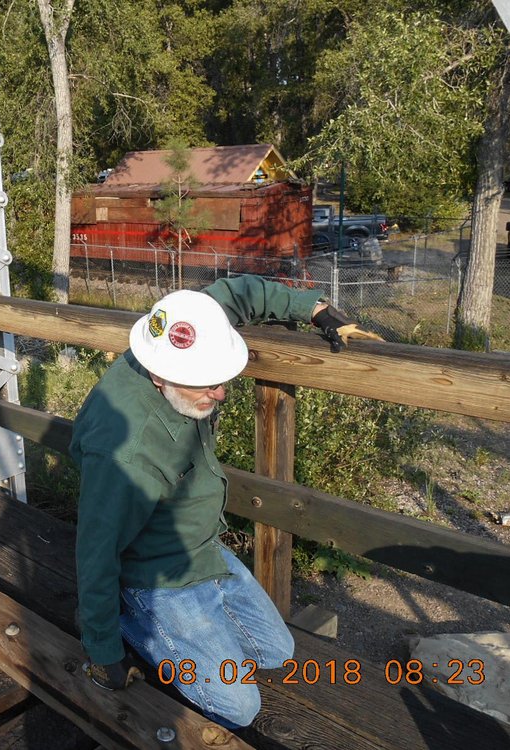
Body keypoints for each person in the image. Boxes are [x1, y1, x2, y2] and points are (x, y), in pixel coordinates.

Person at [70, 275, 382, 727]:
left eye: (221, 380)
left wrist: (314, 308)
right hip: (157, 573)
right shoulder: (125, 454)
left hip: (204, 548)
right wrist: (104, 652)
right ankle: (126, 621)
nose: (220, 394)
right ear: (159, 376)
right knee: (239, 706)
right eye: (206, 385)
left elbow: (235, 295)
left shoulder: (174, 337)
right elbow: (95, 550)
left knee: (276, 652)